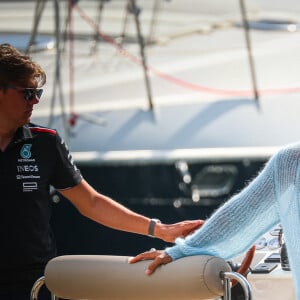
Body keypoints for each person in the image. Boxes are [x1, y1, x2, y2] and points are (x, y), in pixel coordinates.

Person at [0, 43, 203, 300]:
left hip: (35, 283)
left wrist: (160, 230)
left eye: (38, 92)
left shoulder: (45, 142)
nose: (36, 100)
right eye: (28, 93)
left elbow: (91, 202)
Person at [130, 142, 300, 299]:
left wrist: (180, 251)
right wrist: (179, 252)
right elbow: (237, 216)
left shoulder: (291, 161)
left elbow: (238, 217)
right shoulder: (290, 162)